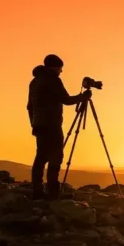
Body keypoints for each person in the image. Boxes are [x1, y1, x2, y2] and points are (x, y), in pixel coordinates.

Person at [27, 54, 91, 200]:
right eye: (60, 69)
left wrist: (34, 123)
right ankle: (53, 191)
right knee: (56, 156)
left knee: (41, 157)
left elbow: (29, 106)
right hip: (52, 124)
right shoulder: (52, 80)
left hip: (39, 124)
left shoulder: (35, 81)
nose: (61, 72)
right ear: (55, 67)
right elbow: (66, 100)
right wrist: (83, 97)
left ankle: (37, 191)